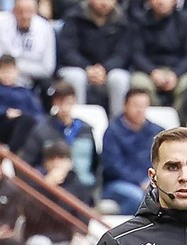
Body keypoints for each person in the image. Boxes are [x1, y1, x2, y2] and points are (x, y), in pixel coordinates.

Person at [55, 0, 132, 119]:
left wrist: (105, 68)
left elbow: (122, 54)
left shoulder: (122, 21)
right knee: (76, 77)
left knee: (120, 78)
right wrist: (87, 68)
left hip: (108, 71)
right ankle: (77, 124)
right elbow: (67, 50)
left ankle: (118, 125)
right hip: (78, 68)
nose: (105, 3)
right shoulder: (74, 16)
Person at [18, 81, 99, 188]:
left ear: (74, 101)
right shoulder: (41, 130)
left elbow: (96, 165)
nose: (65, 108)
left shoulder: (86, 130)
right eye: (60, 102)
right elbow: (27, 164)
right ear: (54, 103)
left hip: (82, 188)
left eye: (69, 103)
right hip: (51, 187)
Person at [100, 88, 165, 216]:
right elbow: (113, 166)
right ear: (125, 106)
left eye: (143, 106)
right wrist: (139, 181)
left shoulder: (157, 132)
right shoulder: (113, 132)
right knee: (137, 197)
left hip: (150, 182)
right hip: (118, 183)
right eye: (135, 105)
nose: (140, 110)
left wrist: (152, 180)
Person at [129, 0, 187, 106]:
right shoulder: (140, 22)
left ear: (174, 1)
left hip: (179, 71)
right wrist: (152, 71)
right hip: (149, 71)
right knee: (139, 83)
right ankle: (152, 120)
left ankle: (181, 120)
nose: (161, 2)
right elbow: (137, 54)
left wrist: (176, 74)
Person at [0, 0, 55, 95]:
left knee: (48, 85)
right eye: (20, 11)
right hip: (3, 74)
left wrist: (17, 68)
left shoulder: (45, 28)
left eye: (29, 11)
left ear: (35, 11)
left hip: (34, 78)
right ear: (13, 10)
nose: (24, 16)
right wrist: (9, 72)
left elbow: (48, 68)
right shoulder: (2, 23)